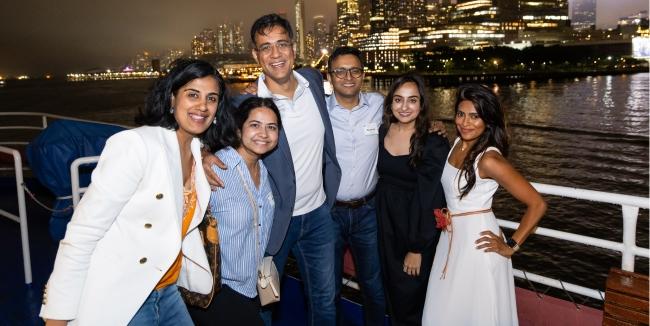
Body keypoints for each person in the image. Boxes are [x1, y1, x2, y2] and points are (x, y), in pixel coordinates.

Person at [39, 59, 226, 325]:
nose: (202, 106)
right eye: (192, 95)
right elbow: (83, 232)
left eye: (212, 98)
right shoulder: (136, 145)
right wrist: (57, 317)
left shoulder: (196, 149)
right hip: (126, 292)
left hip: (168, 290)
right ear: (173, 99)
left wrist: (206, 151)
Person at [203, 13, 341, 325]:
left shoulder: (313, 81)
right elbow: (199, 130)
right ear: (256, 55)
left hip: (319, 216)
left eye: (281, 44)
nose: (275, 54)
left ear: (294, 48)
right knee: (266, 302)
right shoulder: (244, 105)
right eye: (266, 47)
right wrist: (200, 153)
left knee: (325, 301)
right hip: (271, 224)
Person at [421, 84, 547, 325]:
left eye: (475, 116)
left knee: (475, 312)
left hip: (477, 247)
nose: (465, 122)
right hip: (450, 241)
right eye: (461, 114)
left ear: (488, 120)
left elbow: (537, 204)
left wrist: (511, 244)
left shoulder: (489, 160)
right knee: (446, 309)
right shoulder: (457, 142)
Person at [188, 97, 281, 326]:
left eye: (272, 127)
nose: (264, 133)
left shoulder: (264, 170)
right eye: (255, 125)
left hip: (252, 287)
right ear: (239, 130)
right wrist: (200, 154)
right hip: (220, 288)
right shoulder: (215, 169)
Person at [375, 73, 449, 326]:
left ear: (421, 104)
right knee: (393, 293)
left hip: (414, 228)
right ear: (390, 103)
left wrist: (417, 247)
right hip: (386, 225)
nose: (404, 107)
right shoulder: (383, 130)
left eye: (412, 100)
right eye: (398, 100)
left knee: (412, 297)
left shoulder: (433, 142)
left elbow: (432, 198)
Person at [326, 46, 386, 326]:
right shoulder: (319, 111)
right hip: (329, 214)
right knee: (329, 289)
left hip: (368, 212)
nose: (348, 76)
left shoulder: (378, 104)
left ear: (363, 74)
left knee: (373, 287)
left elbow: (412, 116)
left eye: (355, 70)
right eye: (340, 71)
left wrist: (434, 124)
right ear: (330, 75)